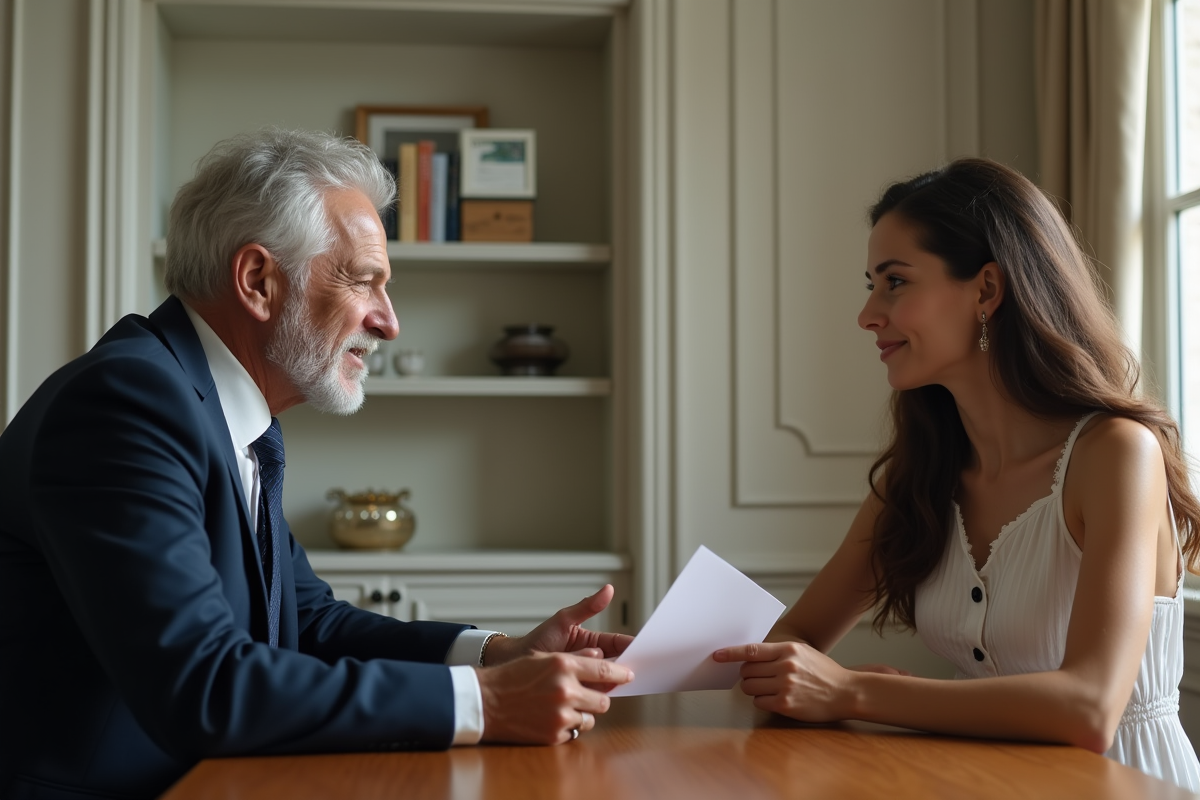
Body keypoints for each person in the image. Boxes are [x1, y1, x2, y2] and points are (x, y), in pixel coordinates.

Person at [0, 128, 633, 800]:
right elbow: (201, 685)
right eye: (365, 281)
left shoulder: (223, 413)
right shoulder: (127, 405)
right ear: (258, 281)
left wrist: (498, 654)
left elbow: (309, 625)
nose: (389, 322)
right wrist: (486, 702)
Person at [714, 157, 1200, 790]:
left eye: (894, 282)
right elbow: (798, 634)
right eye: (871, 284)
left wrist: (855, 692)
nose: (868, 314)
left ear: (986, 290)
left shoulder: (1115, 454)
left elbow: (1089, 709)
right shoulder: (919, 476)